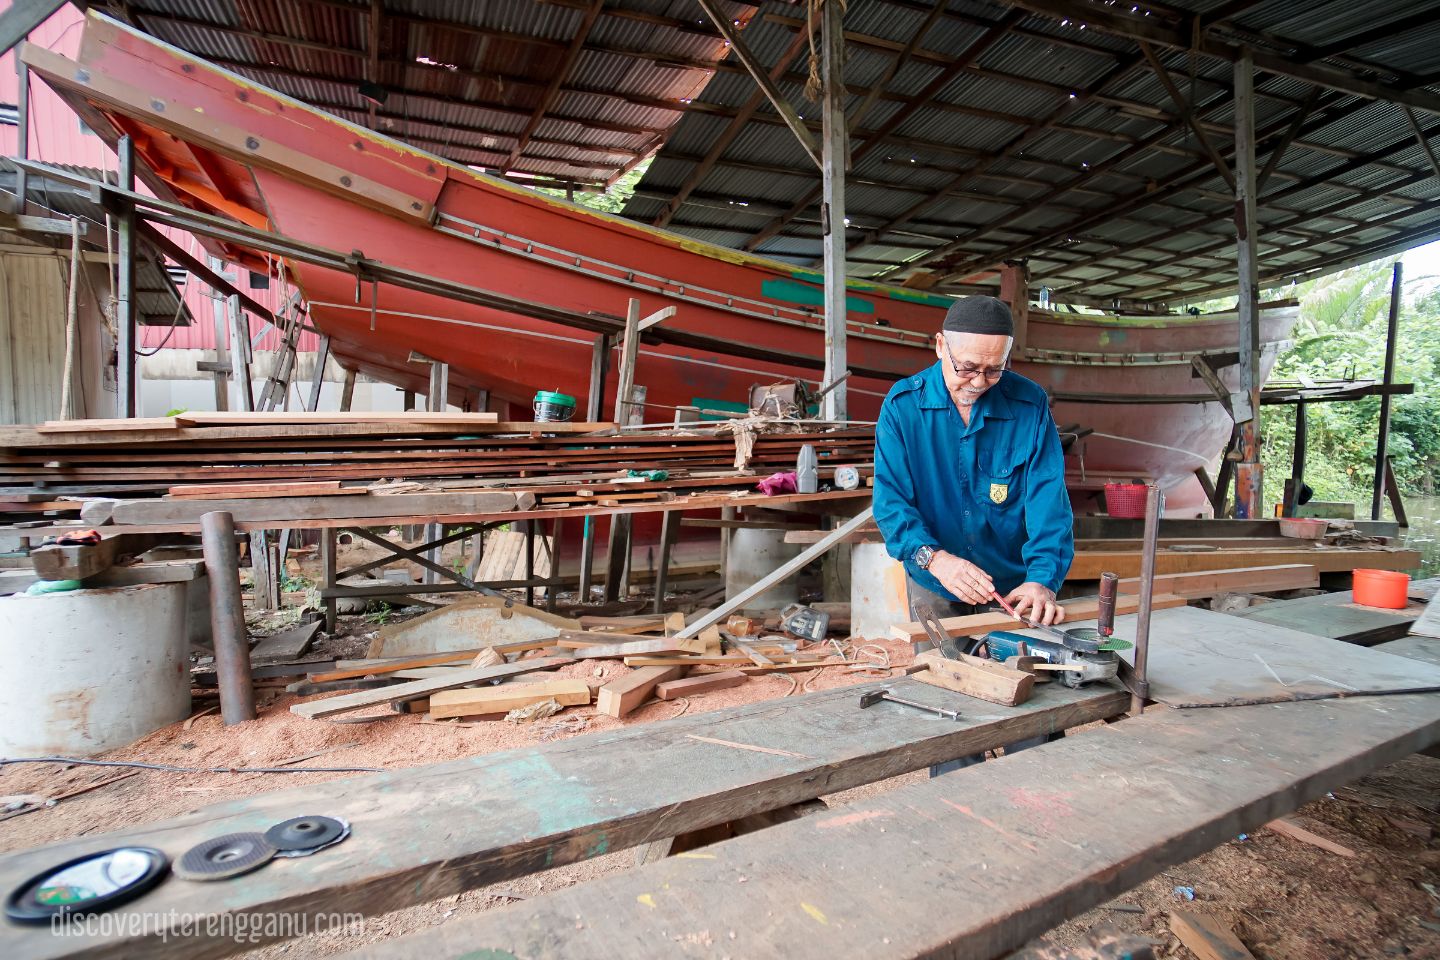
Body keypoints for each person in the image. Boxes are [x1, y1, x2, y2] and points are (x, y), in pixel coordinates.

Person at [872, 295, 1074, 772]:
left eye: (994, 370)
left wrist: (1042, 578)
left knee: (1028, 692)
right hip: (933, 572)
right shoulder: (903, 408)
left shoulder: (1029, 405)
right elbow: (891, 505)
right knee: (947, 694)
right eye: (966, 369)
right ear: (939, 346)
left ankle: (1033, 794)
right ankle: (957, 794)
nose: (979, 383)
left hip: (1010, 578)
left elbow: (1049, 502)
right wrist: (934, 558)